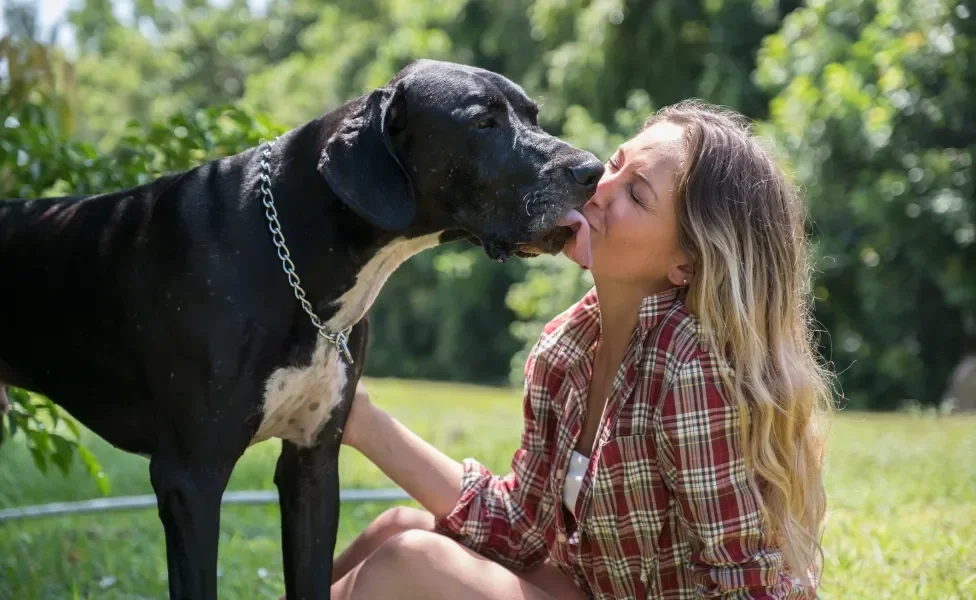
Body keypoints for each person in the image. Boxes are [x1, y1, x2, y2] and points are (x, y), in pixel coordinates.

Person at [308, 99, 834, 599]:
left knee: (413, 559)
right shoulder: (570, 344)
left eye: (637, 195)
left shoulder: (690, 366)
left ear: (688, 264)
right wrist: (358, 418)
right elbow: (519, 528)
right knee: (399, 528)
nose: (600, 190)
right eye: (615, 165)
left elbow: (747, 583)